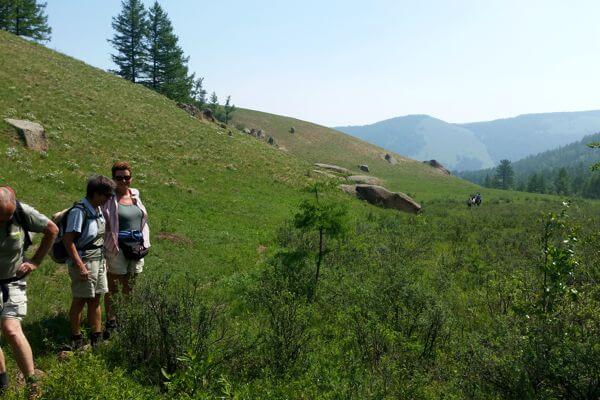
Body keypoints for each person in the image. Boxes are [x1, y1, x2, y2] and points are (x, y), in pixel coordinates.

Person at [0, 186, 58, 392]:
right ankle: (3, 384)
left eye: (7, 217)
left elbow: (52, 230)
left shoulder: (22, 213)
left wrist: (35, 262)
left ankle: (32, 385)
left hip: (12, 280)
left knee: (12, 330)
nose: (4, 222)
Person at [63, 176, 115, 349]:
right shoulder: (79, 212)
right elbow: (68, 240)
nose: (109, 199)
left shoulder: (97, 209)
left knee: (96, 298)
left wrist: (104, 260)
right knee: (80, 300)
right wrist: (80, 266)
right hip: (84, 261)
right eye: (106, 195)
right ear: (95, 194)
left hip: (98, 260)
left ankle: (96, 337)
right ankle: (76, 338)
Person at [102, 161, 150, 337]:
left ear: (131, 178)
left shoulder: (136, 195)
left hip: (136, 247)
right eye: (119, 177)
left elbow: (143, 219)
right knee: (113, 286)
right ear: (113, 178)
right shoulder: (108, 198)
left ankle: (126, 319)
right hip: (116, 248)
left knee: (130, 285)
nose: (123, 181)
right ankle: (111, 322)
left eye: (126, 177)